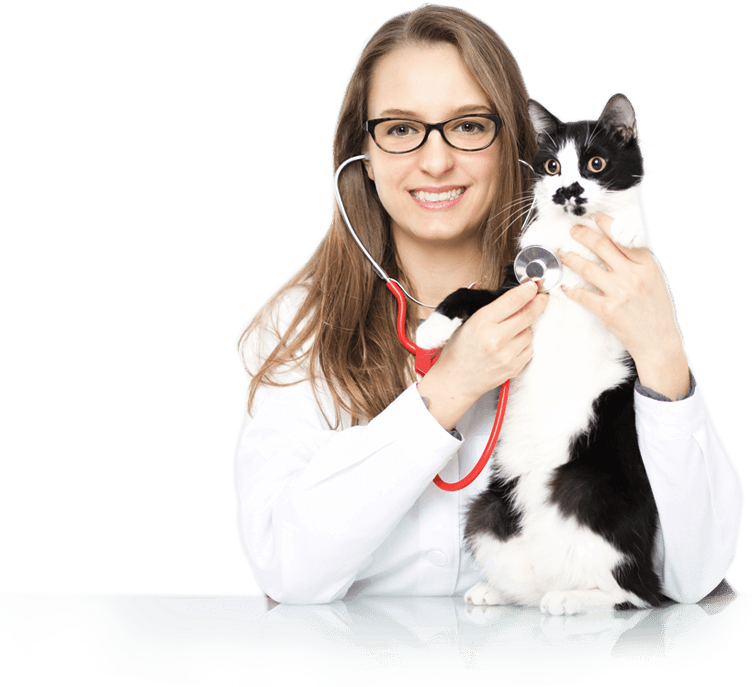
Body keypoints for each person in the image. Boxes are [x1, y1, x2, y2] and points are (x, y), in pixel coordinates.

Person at [233, 3, 744, 604]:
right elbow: (288, 572)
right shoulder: (295, 327)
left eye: (469, 126)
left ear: (516, 145)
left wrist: (662, 353)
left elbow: (695, 574)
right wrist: (446, 391)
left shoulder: (604, 289)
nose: (435, 160)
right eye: (400, 129)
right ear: (362, 156)